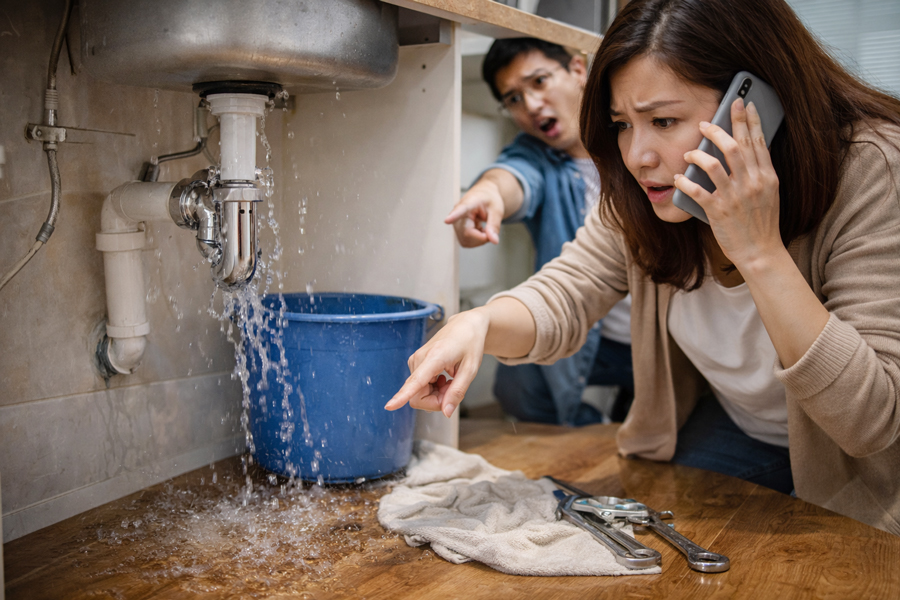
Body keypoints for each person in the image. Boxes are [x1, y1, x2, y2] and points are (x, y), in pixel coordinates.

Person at [387, 0, 900, 534]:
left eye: (663, 121)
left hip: (859, 467)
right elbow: (568, 291)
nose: (637, 155)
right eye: (621, 124)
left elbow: (870, 422)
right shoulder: (643, 192)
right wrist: (481, 323)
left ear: (759, 104)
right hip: (738, 428)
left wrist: (759, 252)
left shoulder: (874, 168)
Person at [446, 38, 634, 426]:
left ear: (578, 70)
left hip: (664, 337)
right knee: (519, 377)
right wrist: (487, 193)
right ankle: (593, 428)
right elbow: (513, 175)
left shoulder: (637, 143)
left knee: (661, 429)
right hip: (592, 335)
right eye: (513, 98)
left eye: (539, 82)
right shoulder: (537, 156)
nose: (530, 105)